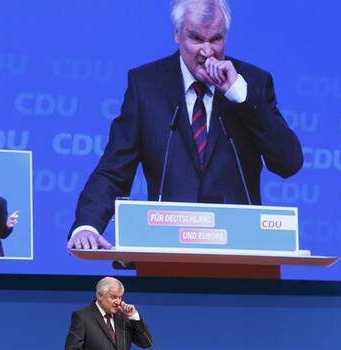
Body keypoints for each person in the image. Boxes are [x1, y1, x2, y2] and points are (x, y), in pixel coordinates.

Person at [68, 0, 303, 250]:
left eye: (216, 40)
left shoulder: (251, 83)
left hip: (240, 254)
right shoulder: (146, 85)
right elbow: (114, 169)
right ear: (177, 34)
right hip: (164, 252)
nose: (207, 52)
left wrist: (239, 96)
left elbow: (288, 163)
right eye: (196, 39)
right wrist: (87, 226)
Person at [64, 277, 152, 350]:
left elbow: (146, 343)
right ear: (100, 295)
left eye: (120, 297)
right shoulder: (83, 316)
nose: (118, 302)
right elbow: (72, 349)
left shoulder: (124, 317)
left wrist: (134, 316)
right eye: (113, 297)